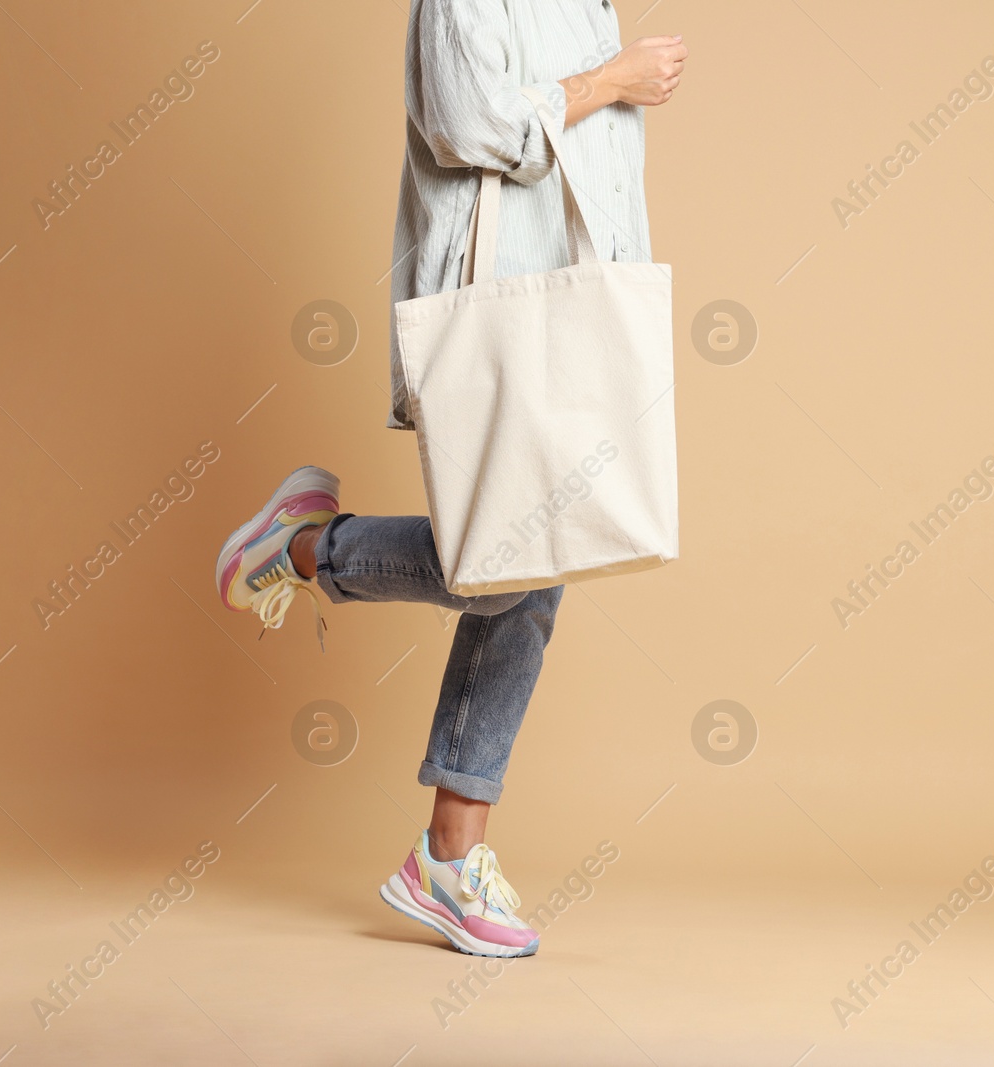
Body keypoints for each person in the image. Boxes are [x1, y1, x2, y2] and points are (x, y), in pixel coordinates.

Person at [216, 1, 686, 958]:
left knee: (538, 566)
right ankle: (307, 549)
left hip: (569, 305)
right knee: (518, 565)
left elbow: (595, 174)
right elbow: (470, 127)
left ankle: (448, 855)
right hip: (495, 305)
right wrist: (614, 81)